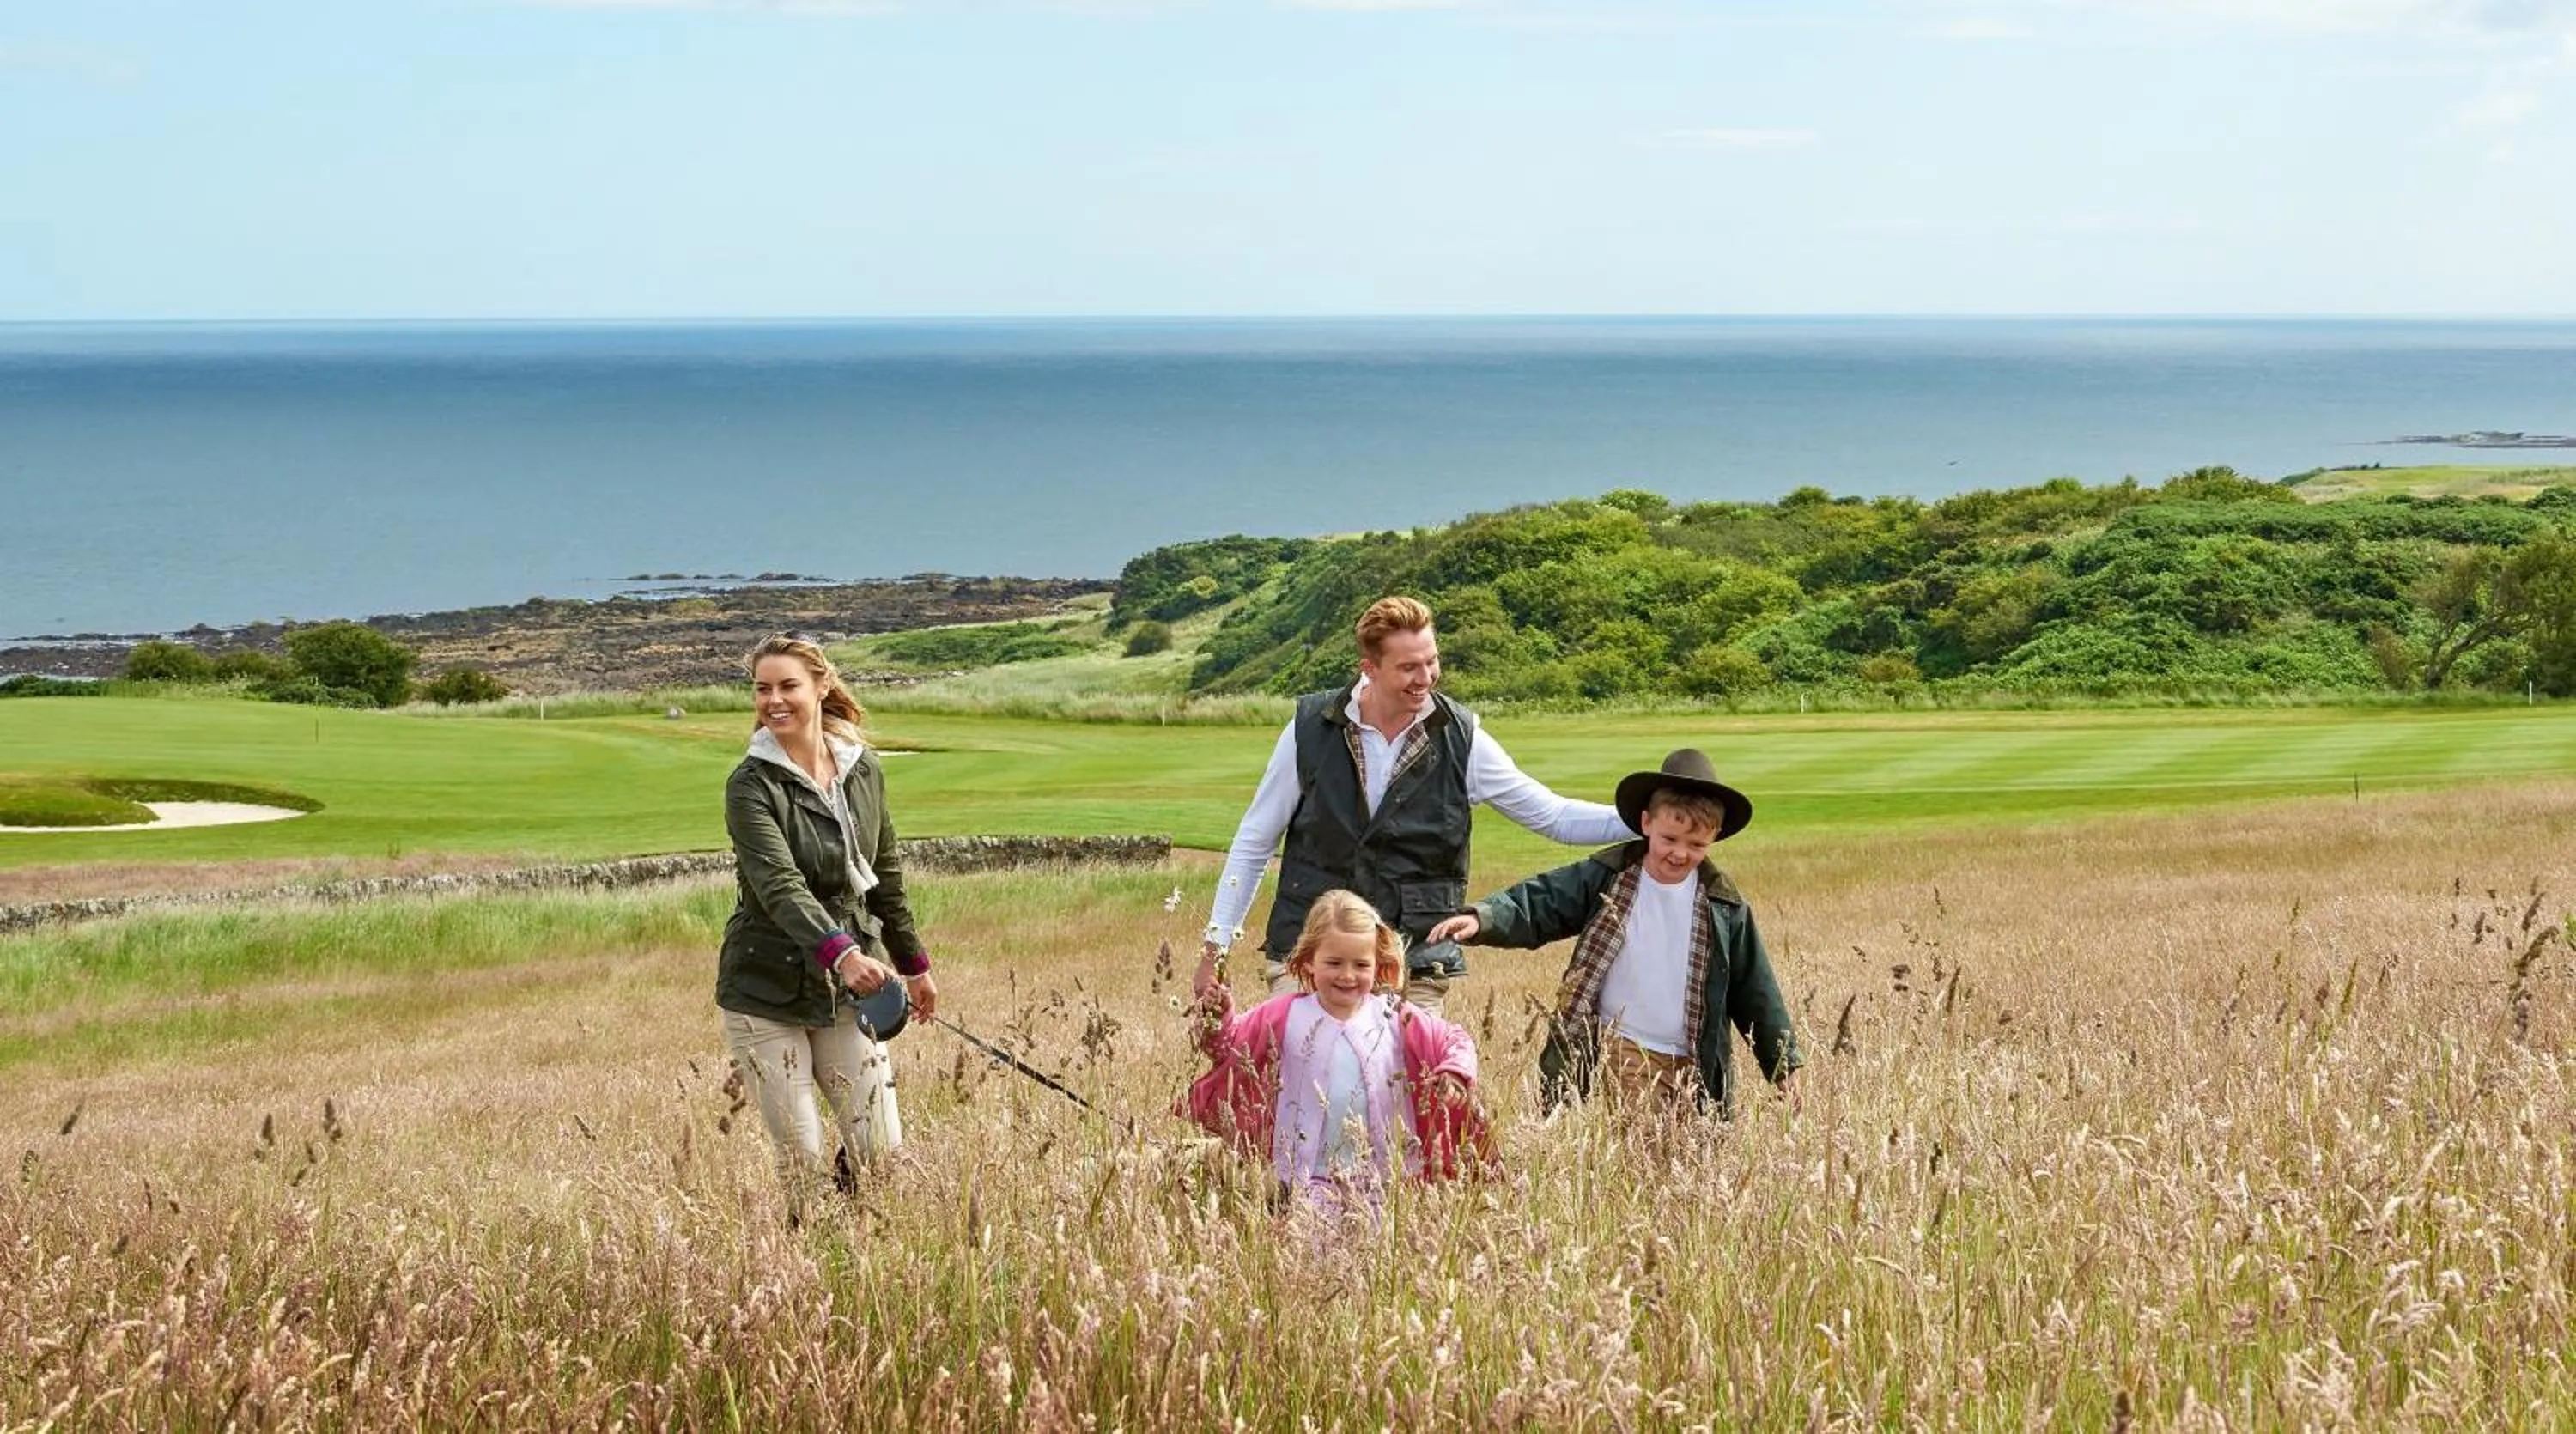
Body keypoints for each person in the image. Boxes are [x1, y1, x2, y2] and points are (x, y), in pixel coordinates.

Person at [1198, 595, 1633, 1012]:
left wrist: (1647, 821)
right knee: (1301, 1083)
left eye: (1432, 660)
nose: (1425, 677)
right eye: (1408, 667)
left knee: (1412, 1087)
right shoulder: (1309, 729)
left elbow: (1552, 817)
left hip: (1414, 962)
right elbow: (1255, 841)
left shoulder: (1463, 739)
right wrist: (1215, 950)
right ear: (1369, 668)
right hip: (1311, 956)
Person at [1425, 749, 1801, 1120]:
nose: (1680, 854)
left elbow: (1755, 989)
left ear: (1714, 838)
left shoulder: (1724, 905)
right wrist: (1484, 919)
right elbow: (1542, 901)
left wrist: (1783, 1066)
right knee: (1644, 1151)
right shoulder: (1609, 875)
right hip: (1626, 1047)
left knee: (1694, 1159)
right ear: (1646, 823)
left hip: (1696, 1058)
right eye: (1670, 839)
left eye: (1696, 845)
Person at [716, 635, 939, 1219]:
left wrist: (913, 964)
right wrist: (843, 955)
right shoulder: (750, 786)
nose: (773, 699)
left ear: (821, 686)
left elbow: (885, 871)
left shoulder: (862, 771)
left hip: (848, 988)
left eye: (787, 685)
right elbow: (781, 888)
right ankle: (809, 1266)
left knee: (880, 1152)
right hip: (765, 990)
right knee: (803, 1160)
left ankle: (861, 1248)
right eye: (762, 688)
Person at [1180, 890, 1490, 1224]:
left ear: (1378, 964)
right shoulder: (1284, 1015)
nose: (1347, 975)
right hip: (1303, 1178)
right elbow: (1227, 1050)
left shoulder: (1395, 1017)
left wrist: (1455, 1072)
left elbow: (1454, 1039)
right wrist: (1219, 1017)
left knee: (1376, 1264)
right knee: (1310, 1263)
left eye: (1361, 965)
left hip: (1383, 1180)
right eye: (1334, 963)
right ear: (1310, 960)